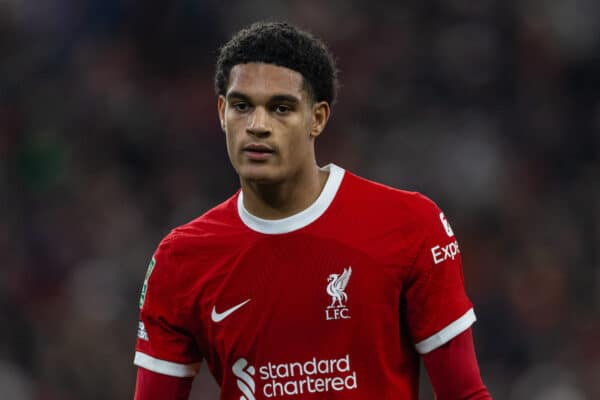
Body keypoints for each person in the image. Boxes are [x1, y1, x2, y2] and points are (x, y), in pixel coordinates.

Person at [133, 21, 492, 400]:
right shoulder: (180, 259)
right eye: (241, 106)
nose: (257, 126)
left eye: (281, 108)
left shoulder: (410, 224)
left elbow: (464, 393)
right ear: (222, 112)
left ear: (317, 118)